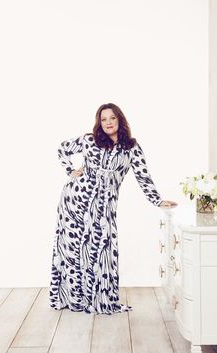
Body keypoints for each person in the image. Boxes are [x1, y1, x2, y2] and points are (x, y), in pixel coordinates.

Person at [49, 102, 178, 315]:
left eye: (112, 118)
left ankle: (100, 298)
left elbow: (142, 176)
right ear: (99, 122)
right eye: (104, 119)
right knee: (73, 250)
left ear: (120, 120)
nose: (108, 122)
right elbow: (62, 148)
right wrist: (71, 170)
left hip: (105, 205)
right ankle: (74, 299)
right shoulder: (89, 140)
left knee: (101, 250)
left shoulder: (131, 148)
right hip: (75, 201)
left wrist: (157, 200)